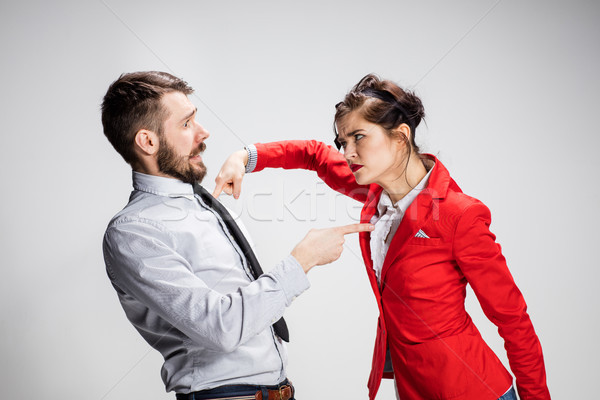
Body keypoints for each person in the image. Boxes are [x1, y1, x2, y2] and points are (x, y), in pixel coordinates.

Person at [213, 74, 551, 400]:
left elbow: (513, 320)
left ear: (401, 136)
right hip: (410, 388)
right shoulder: (374, 191)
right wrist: (244, 157)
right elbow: (314, 154)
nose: (347, 153)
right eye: (343, 142)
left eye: (358, 137)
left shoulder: (459, 215)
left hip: (472, 390)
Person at [100, 71, 373, 400]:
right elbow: (220, 328)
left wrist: (246, 156)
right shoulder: (134, 232)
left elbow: (316, 156)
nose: (203, 132)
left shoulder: (202, 203)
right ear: (148, 141)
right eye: (187, 124)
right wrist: (302, 261)